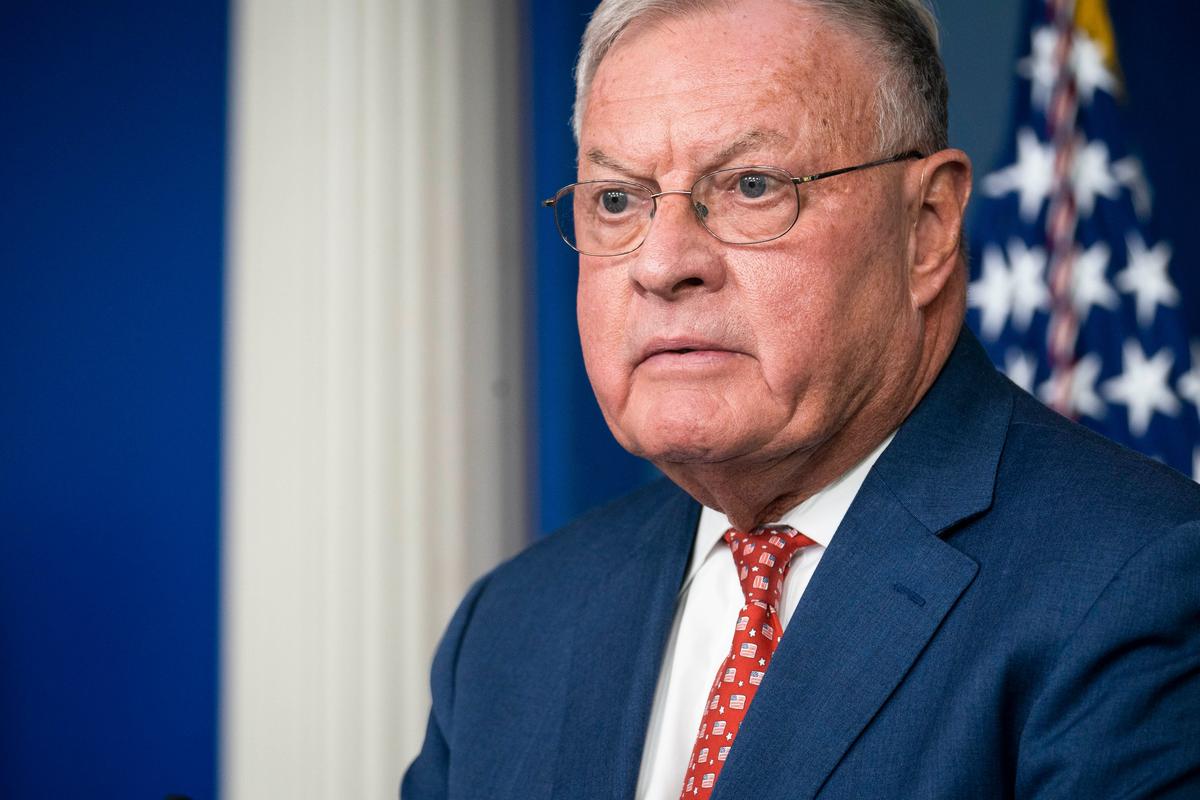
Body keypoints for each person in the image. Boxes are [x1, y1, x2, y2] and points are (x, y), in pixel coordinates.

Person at [402, 0, 1200, 797]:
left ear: (926, 226)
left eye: (752, 186)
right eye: (617, 200)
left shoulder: (1138, 586)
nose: (663, 263)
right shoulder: (510, 629)